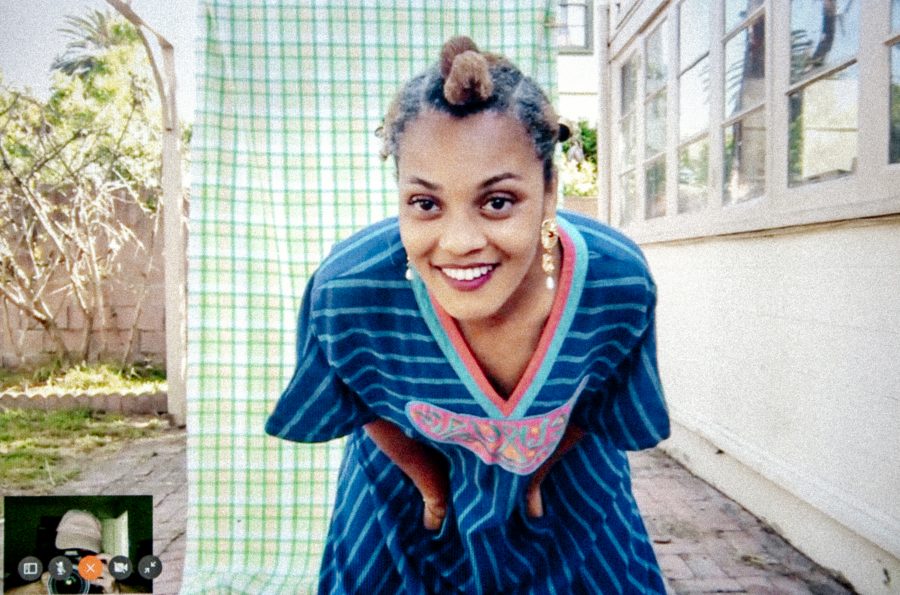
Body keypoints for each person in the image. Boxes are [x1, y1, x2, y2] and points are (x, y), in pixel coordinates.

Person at [266, 36, 670, 594]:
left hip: (569, 494)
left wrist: (538, 473)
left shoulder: (614, 283)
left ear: (550, 191)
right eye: (426, 204)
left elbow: (605, 397)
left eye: (497, 202)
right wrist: (431, 485)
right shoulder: (350, 292)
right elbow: (356, 397)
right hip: (402, 503)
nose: (458, 242)